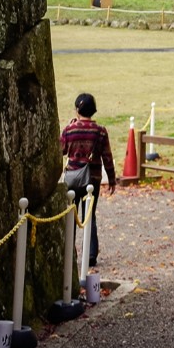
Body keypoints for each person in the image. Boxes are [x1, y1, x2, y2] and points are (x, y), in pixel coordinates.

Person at [60, 91, 115, 267]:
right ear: (94, 110)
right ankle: (90, 254)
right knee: (89, 215)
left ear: (77, 109)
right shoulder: (100, 132)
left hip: (73, 178)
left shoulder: (70, 129)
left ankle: (70, 253)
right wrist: (112, 179)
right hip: (93, 178)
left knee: (72, 215)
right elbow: (107, 156)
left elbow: (60, 150)